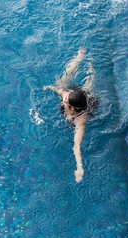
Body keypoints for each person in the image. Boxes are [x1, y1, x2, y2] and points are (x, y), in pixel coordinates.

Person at [43, 48, 97, 182]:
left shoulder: (80, 122)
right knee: (61, 82)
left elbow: (77, 146)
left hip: (86, 100)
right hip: (80, 96)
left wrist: (80, 168)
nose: (64, 100)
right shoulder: (67, 95)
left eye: (66, 102)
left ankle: (87, 67)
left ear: (71, 108)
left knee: (88, 90)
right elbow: (60, 91)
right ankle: (79, 58)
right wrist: (50, 88)